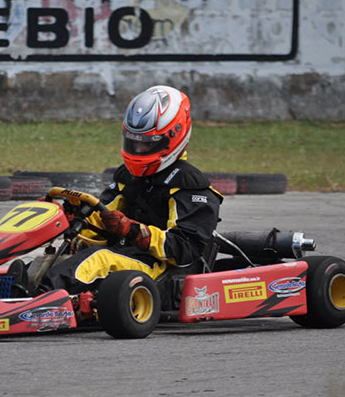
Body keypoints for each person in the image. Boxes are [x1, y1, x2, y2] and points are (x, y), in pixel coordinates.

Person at [38, 85, 222, 294]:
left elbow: (185, 249)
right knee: (53, 259)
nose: (138, 150)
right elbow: (103, 215)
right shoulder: (129, 176)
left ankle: (40, 301)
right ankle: (17, 289)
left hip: (160, 267)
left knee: (97, 260)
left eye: (147, 144)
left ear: (174, 137)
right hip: (126, 254)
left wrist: (134, 231)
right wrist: (70, 215)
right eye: (133, 143)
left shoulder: (189, 185)